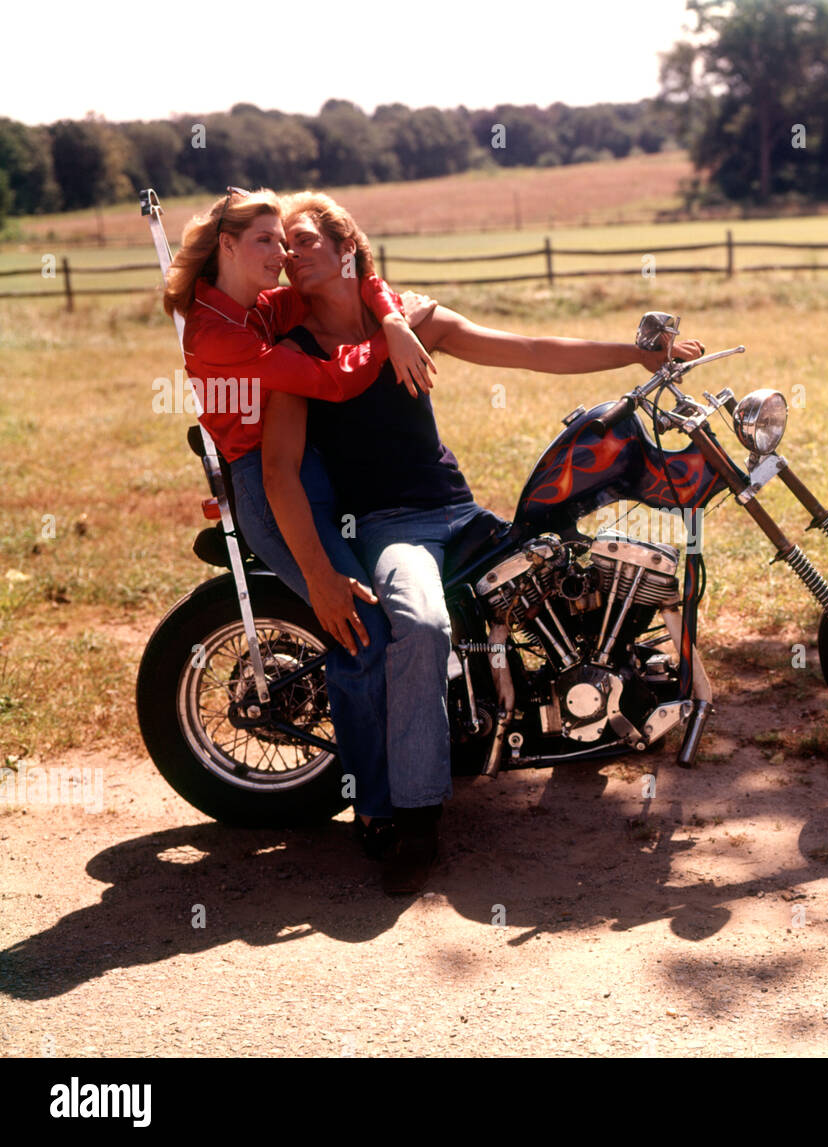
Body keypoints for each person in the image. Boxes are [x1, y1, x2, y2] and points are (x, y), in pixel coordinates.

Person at [261, 190, 704, 895]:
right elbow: (278, 466)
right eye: (281, 244)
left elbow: (526, 349)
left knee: (572, 571)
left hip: (459, 510)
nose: (289, 252)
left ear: (348, 248)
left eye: (304, 238)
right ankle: (416, 816)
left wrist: (635, 354)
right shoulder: (295, 353)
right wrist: (316, 567)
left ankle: (598, 713)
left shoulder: (410, 318)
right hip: (387, 526)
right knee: (422, 624)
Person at [162, 187, 435, 847]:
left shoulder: (257, 304)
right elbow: (332, 380)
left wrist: (393, 318)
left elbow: (356, 279)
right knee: (357, 623)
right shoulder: (216, 332)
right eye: (265, 240)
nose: (282, 254)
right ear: (225, 244)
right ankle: (377, 805)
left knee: (393, 609)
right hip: (268, 484)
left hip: (316, 467)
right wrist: (389, 342)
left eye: (285, 241)